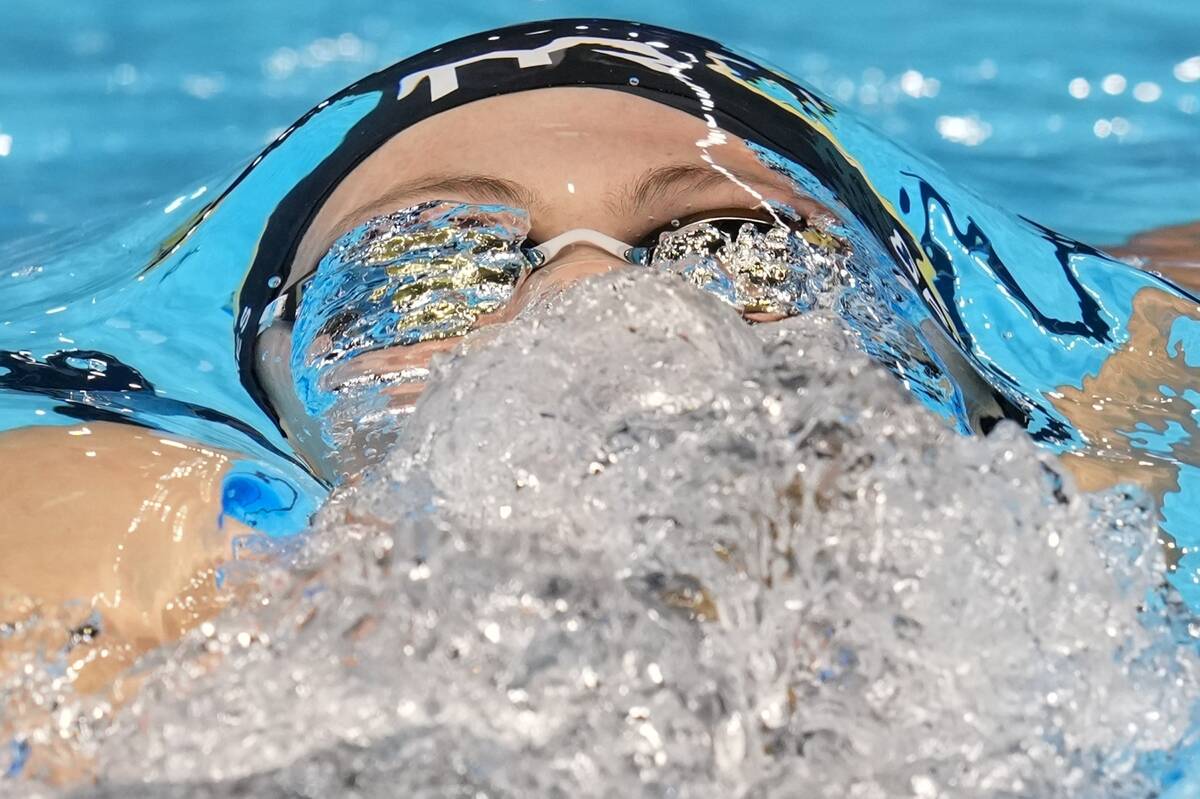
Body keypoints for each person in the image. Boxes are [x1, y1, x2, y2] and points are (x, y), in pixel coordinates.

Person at [1, 18, 1197, 700]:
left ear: (937, 341)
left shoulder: (1110, 501)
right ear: (265, 372)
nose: (590, 295)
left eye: (738, 249)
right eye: (434, 264)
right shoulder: (129, 531)